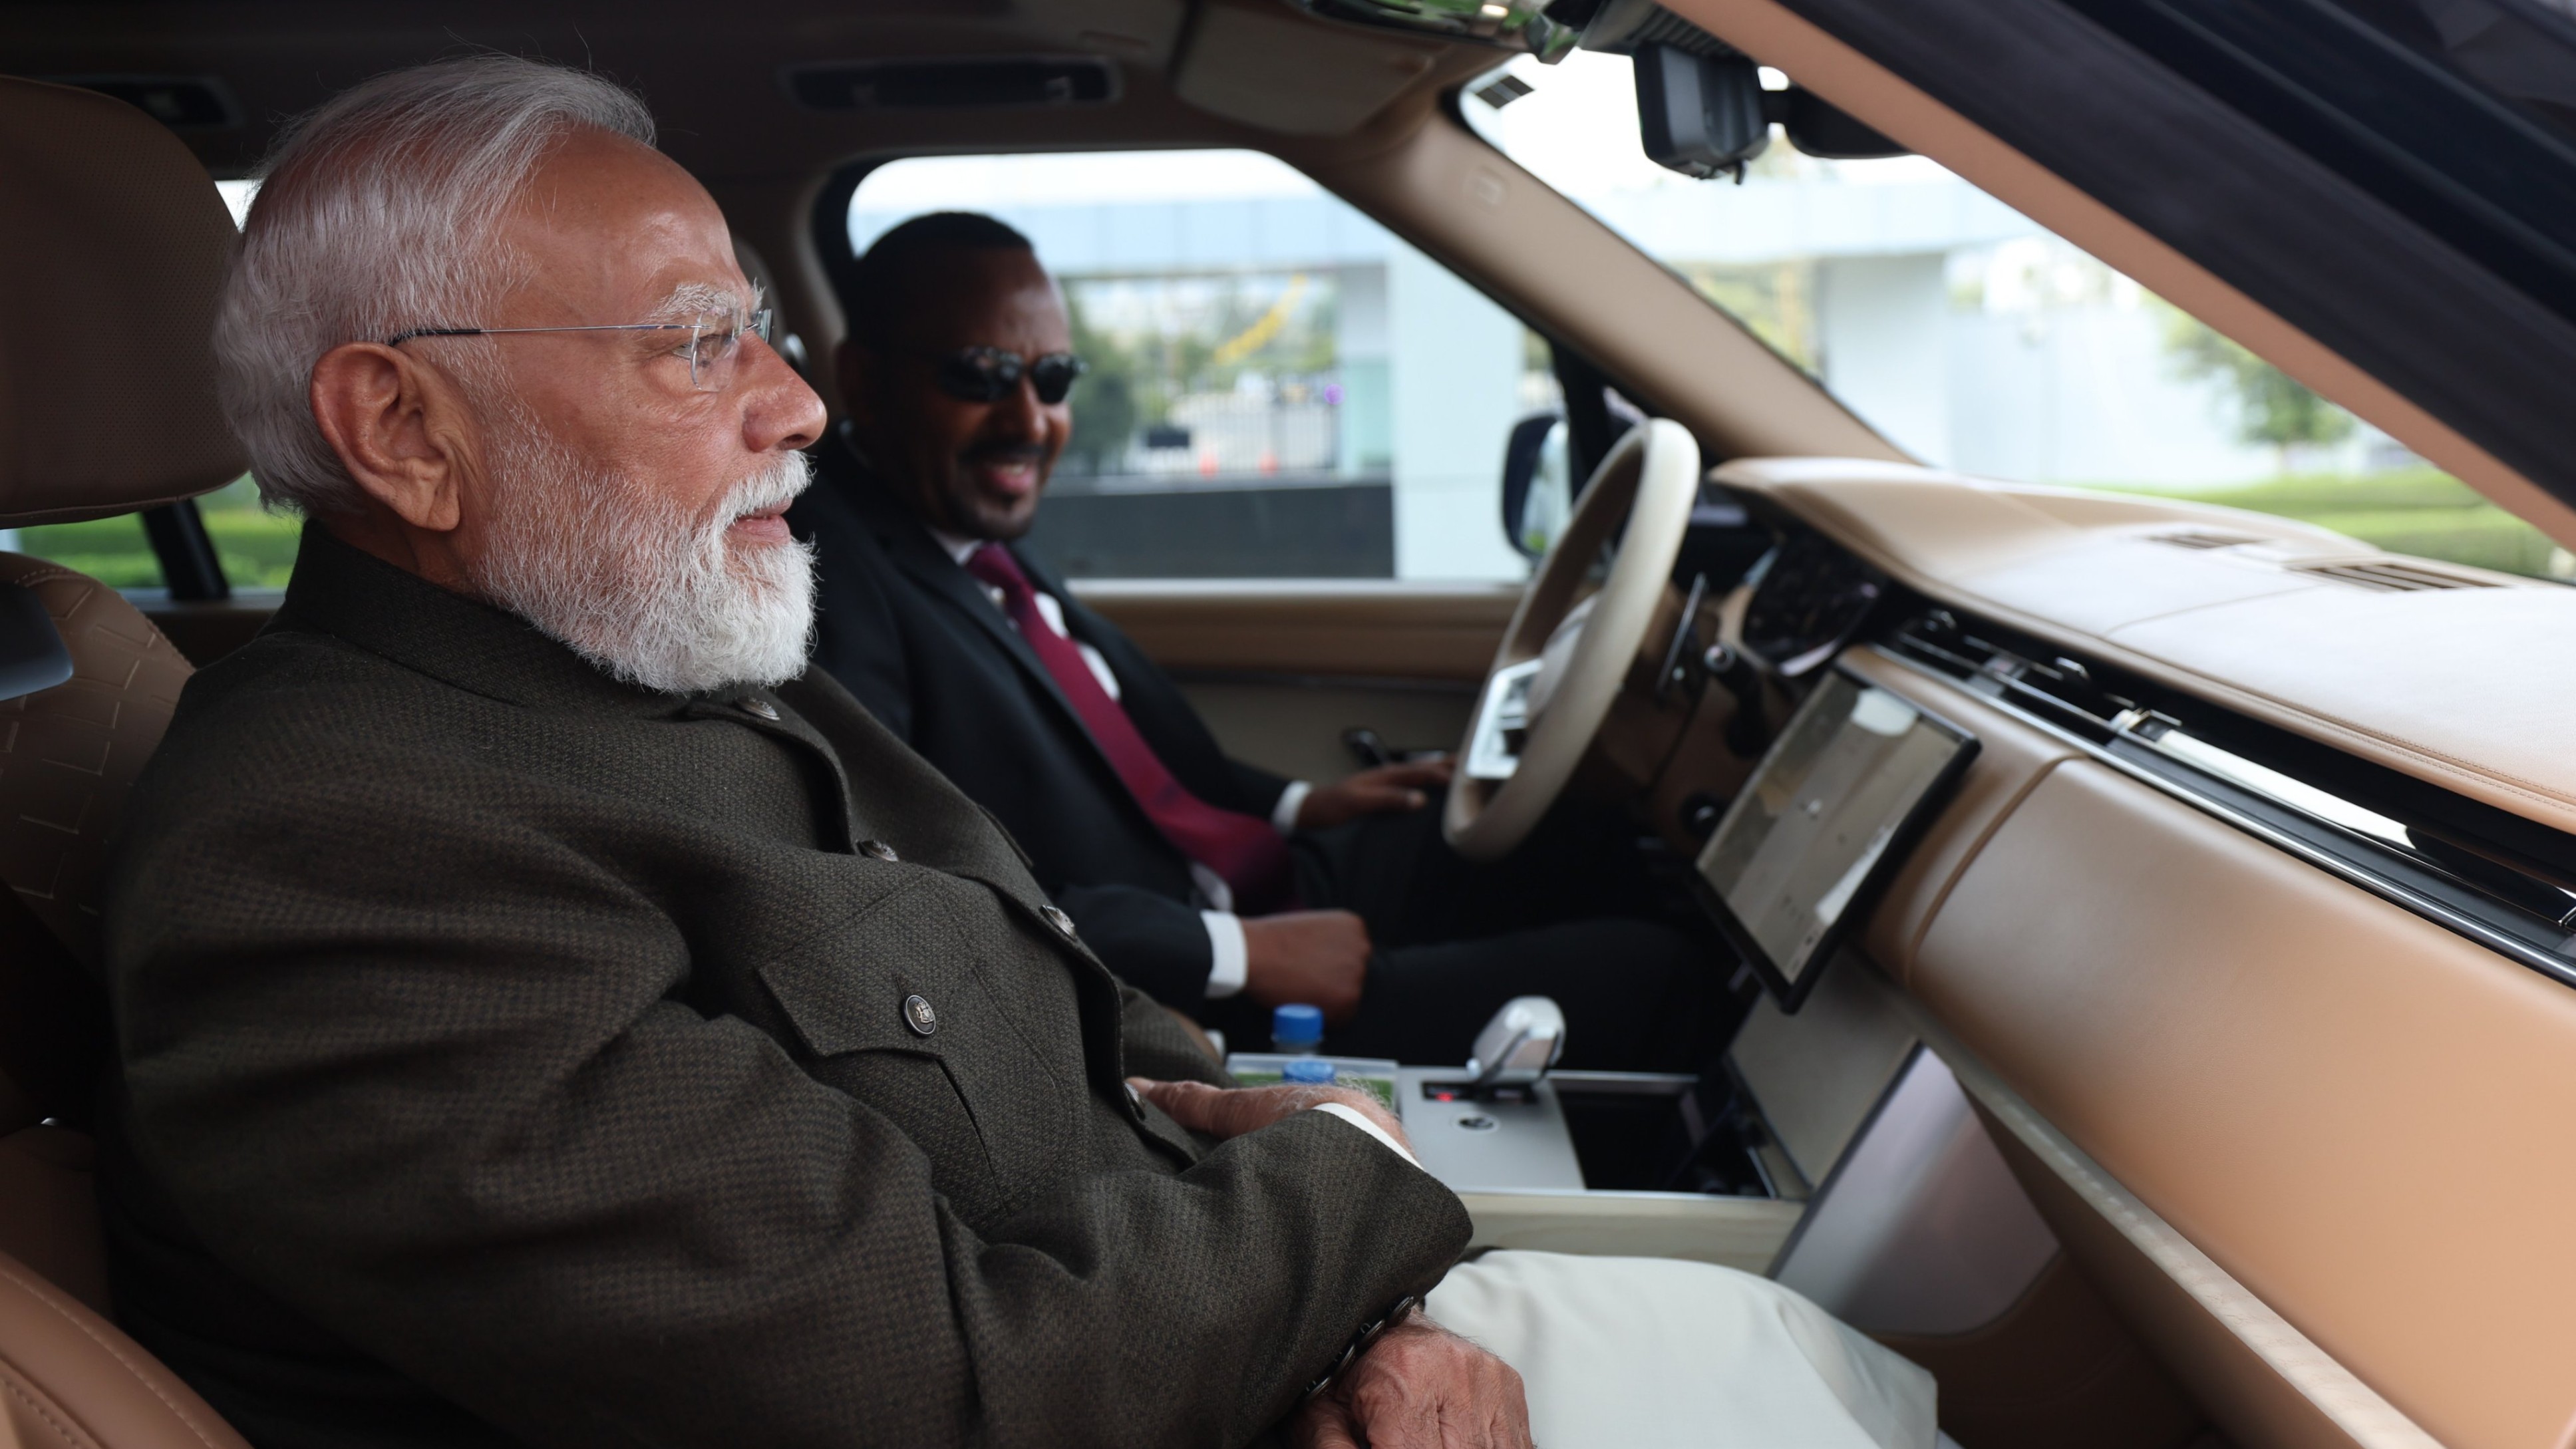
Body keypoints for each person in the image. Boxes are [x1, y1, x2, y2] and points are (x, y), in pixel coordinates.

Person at [103, 57, 1942, 1449]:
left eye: (757, 323)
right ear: (404, 429)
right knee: (1821, 1383)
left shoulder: (639, 650)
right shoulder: (339, 855)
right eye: (693, 344)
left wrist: (1296, 1234)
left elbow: (1031, 973)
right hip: (1155, 1371)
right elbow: (955, 1384)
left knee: (1852, 1374)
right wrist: (1356, 1192)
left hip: (1216, 1312)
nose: (797, 400)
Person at [792, 213, 1714, 1070]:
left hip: (1242, 889)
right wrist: (1237, 953)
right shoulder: (833, 578)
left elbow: (1126, 755)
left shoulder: (965, 538)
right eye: (980, 375)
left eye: (1054, 378)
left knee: (1576, 837)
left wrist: (1303, 806)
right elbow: (911, 880)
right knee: (1658, 973)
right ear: (865, 379)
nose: (1030, 420)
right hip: (1163, 988)